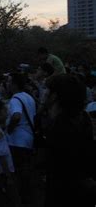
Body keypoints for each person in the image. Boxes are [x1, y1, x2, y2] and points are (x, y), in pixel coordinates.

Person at [44, 74, 96, 207]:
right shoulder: (84, 118)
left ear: (55, 96)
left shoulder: (59, 127)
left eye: (47, 89)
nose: (44, 92)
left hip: (64, 194)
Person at [6, 72, 36, 205]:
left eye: (9, 81)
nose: (7, 84)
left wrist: (9, 129)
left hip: (17, 141)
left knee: (17, 174)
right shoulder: (29, 98)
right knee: (26, 173)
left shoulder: (15, 99)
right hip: (28, 139)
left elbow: (16, 116)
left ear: (14, 84)